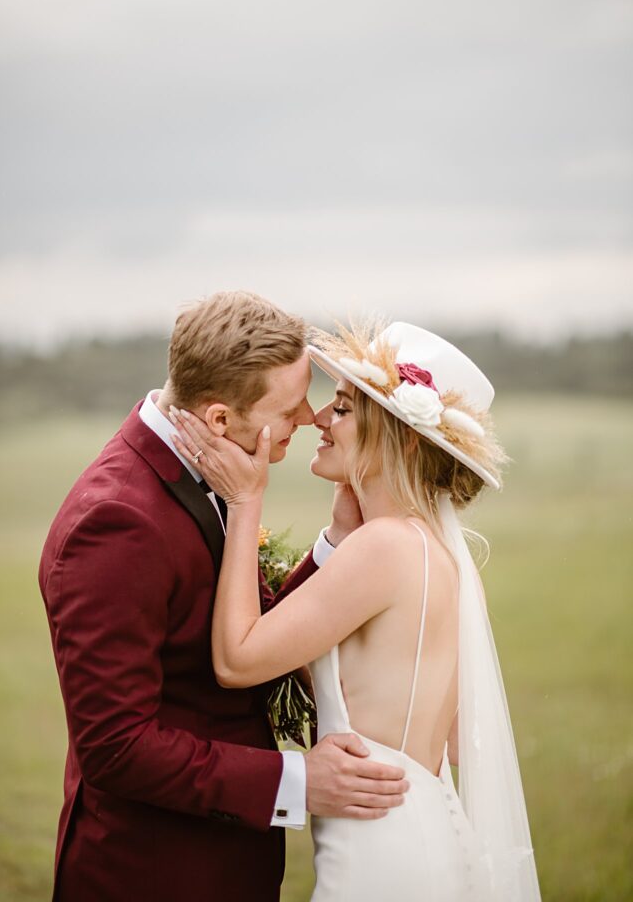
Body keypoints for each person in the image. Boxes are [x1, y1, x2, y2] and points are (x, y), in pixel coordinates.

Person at [38, 293, 408, 902]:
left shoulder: (209, 471)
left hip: (221, 863)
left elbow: (251, 631)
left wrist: (337, 542)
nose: (312, 418)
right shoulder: (115, 523)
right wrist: (299, 781)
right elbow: (115, 746)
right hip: (156, 874)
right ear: (217, 419)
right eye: (291, 407)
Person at [169, 319, 542, 901]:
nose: (318, 418)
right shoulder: (433, 553)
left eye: (342, 408)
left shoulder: (383, 549)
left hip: (380, 850)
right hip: (422, 827)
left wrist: (245, 503)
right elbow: (444, 737)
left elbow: (238, 661)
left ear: (404, 438)